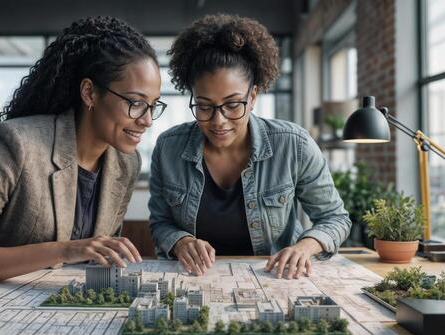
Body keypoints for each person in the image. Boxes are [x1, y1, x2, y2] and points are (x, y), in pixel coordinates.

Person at [0, 16, 166, 307]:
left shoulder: (126, 163)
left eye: (153, 105)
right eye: (135, 103)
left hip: (45, 307)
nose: (147, 120)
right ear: (89, 93)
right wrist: (64, 251)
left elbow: (98, 254)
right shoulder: (15, 143)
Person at [149, 14, 350, 279]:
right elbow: (160, 223)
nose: (218, 121)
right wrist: (180, 242)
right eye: (204, 106)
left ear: (253, 96)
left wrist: (304, 247)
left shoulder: (293, 144)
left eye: (233, 104)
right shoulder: (168, 148)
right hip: (195, 280)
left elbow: (335, 218)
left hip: (275, 279)